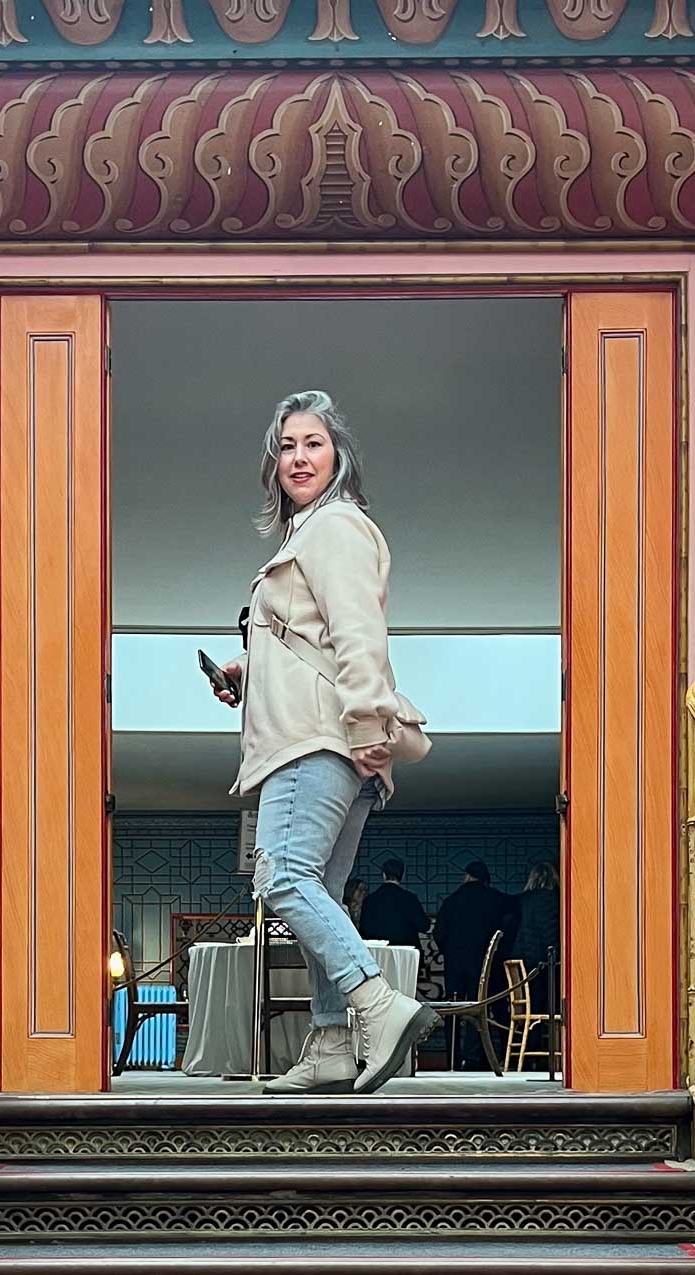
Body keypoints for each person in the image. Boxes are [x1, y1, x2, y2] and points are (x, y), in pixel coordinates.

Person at [212, 390, 438, 1096]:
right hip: (325, 736)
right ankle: (334, 1042)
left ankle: (376, 1002)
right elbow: (313, 639)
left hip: (316, 742)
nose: (298, 457)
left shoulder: (336, 525)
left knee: (280, 877)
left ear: (338, 455)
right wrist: (247, 671)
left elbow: (359, 633)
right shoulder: (305, 536)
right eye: (286, 446)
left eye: (313, 442)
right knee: (321, 891)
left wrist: (371, 724)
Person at [432, 860, 514, 1068]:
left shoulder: (451, 901)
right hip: (487, 967)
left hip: (456, 966)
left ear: (466, 876)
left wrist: (450, 952)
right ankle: (484, 1058)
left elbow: (438, 933)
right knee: (483, 1009)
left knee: (454, 1010)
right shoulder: (497, 900)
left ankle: (452, 1058)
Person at [512, 861, 562, 1015]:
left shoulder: (521, 901)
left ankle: (531, 1035)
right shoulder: (558, 900)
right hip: (550, 963)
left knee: (532, 1003)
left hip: (524, 963)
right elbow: (551, 933)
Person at [358, 857, 429, 950]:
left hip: (378, 953)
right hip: (405, 954)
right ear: (402, 876)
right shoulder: (409, 898)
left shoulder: (370, 900)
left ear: (384, 875)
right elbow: (424, 925)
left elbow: (363, 929)